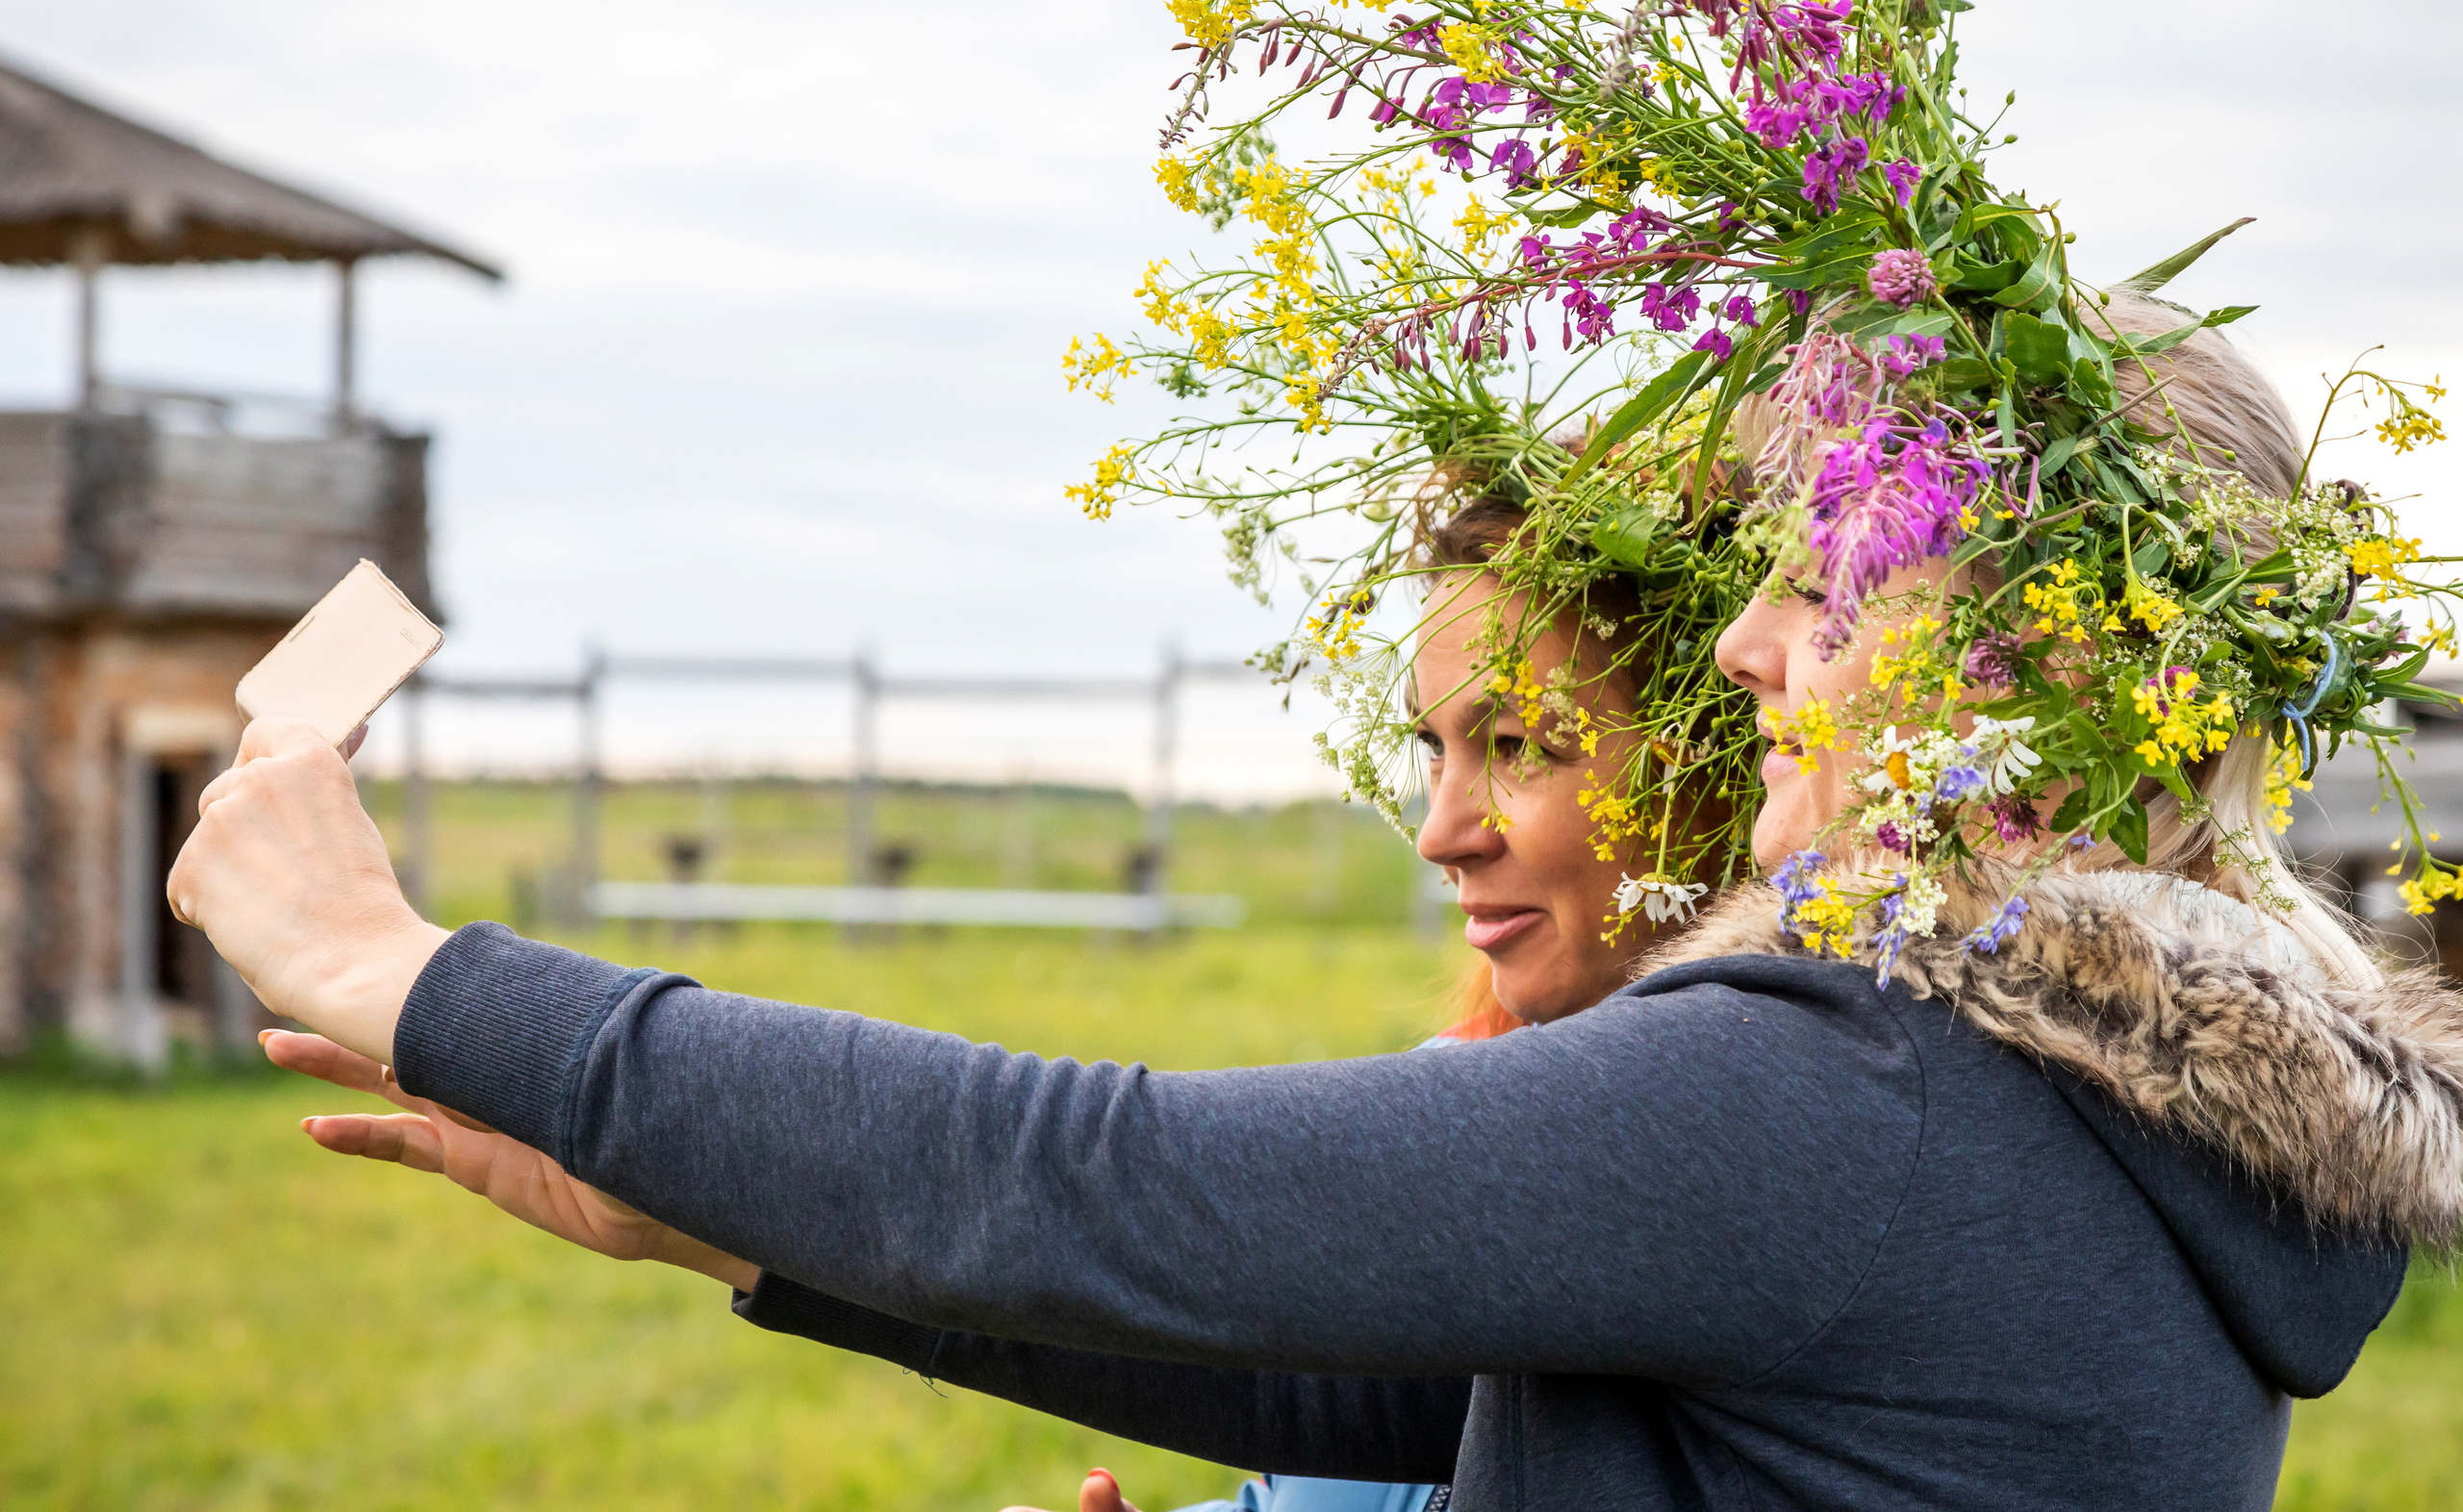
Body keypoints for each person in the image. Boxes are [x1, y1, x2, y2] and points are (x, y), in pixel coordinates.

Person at [172, 286, 2463, 1507]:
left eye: (1829, 600)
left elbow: (1114, 1182)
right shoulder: (2079, 1091)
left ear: (2045, 667)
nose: (1754, 650)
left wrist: (406, 961)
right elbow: (1380, 1380)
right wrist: (731, 1226)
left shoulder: (1883, 1083)